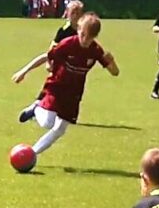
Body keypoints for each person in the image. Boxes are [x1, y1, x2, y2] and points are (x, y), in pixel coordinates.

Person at [11, 12, 119, 158]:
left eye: (89, 37)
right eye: (83, 34)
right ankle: (36, 108)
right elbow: (45, 57)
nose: (85, 40)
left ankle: (32, 154)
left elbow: (115, 73)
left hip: (74, 94)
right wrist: (23, 71)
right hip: (57, 88)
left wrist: (112, 62)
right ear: (78, 29)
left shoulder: (96, 51)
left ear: (95, 36)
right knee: (48, 123)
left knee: (60, 129)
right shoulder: (68, 44)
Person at [16, 0, 85, 123]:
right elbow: (51, 51)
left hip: (73, 67)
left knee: (63, 92)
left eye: (79, 13)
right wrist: (49, 63)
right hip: (61, 66)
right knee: (53, 90)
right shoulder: (64, 31)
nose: (76, 16)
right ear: (69, 14)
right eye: (73, 13)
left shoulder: (83, 31)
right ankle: (37, 108)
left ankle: (40, 108)